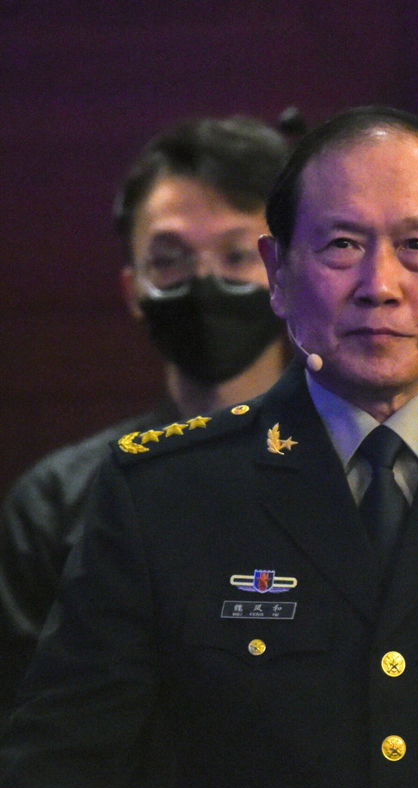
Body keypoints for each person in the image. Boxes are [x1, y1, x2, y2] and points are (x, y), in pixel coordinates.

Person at [0, 106, 418, 788]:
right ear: (279, 270)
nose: (379, 284)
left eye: (417, 245)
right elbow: (63, 763)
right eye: (342, 246)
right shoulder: (162, 494)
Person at [0, 116, 290, 713]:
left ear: (287, 274)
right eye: (170, 260)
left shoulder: (366, 467)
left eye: (238, 256)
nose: (204, 284)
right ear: (133, 290)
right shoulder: (57, 503)